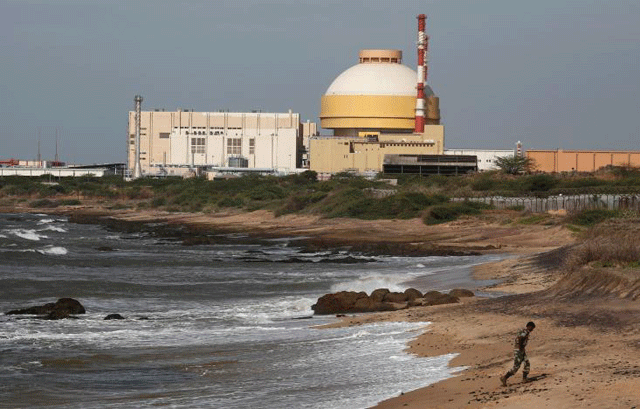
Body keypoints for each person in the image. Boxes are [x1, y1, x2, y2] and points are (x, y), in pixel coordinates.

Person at [500, 321, 535, 386]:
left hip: (521, 350)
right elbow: (520, 338)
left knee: (527, 363)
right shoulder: (525, 332)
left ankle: (524, 378)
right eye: (532, 328)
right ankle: (504, 377)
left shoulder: (524, 331)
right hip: (519, 350)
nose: (532, 330)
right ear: (529, 326)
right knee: (516, 366)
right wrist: (520, 348)